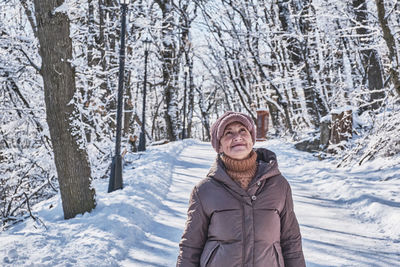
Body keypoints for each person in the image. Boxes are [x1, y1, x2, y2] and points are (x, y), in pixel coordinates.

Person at [177, 111, 305, 267]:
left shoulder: (278, 185)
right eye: (228, 133)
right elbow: (191, 246)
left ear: (252, 138)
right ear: (219, 146)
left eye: (243, 130)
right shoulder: (204, 190)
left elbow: (291, 241)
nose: (237, 137)